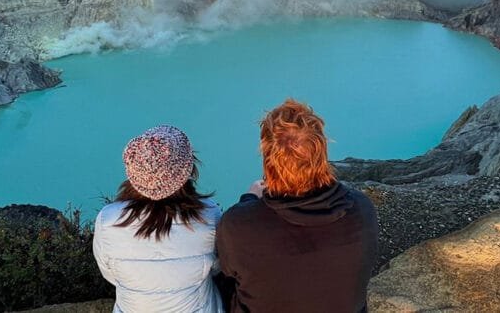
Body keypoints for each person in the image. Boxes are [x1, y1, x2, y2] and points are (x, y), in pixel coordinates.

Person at [216, 99, 379, 313]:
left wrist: (248, 200)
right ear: (321, 154)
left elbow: (229, 272)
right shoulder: (361, 209)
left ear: (268, 161)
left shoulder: (238, 225)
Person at [93, 125, 223, 312]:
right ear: (188, 171)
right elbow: (217, 268)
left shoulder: (108, 220)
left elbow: (111, 275)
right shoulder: (209, 215)